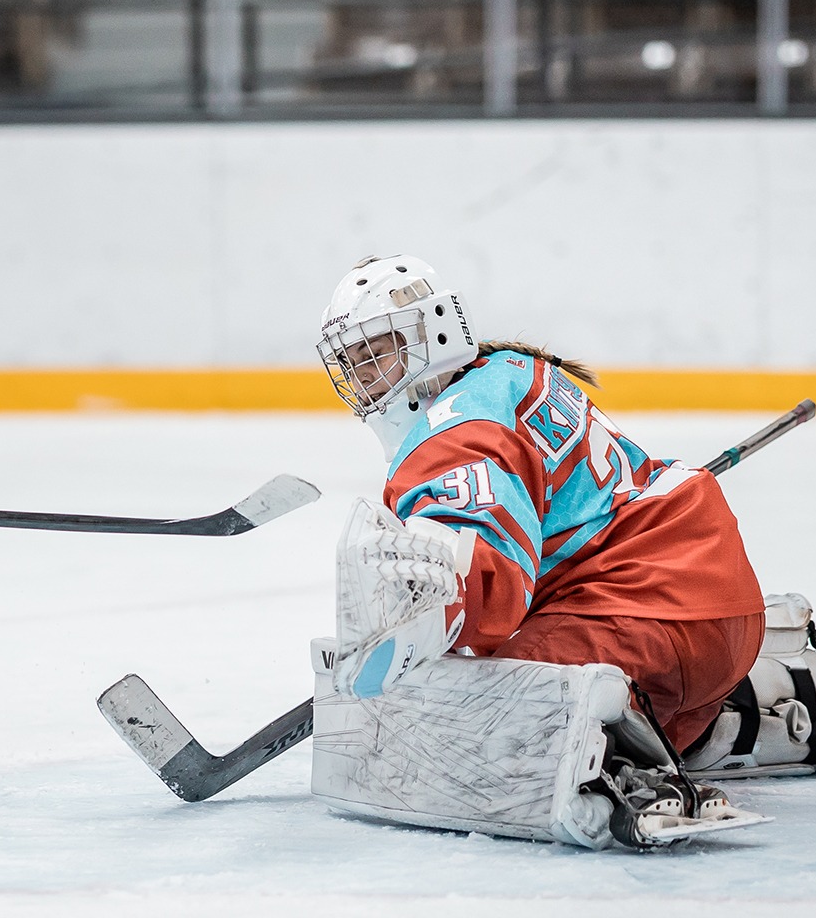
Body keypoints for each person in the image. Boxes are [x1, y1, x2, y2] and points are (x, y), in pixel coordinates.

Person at [310, 254, 776, 847]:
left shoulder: (455, 433)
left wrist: (418, 623)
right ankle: (752, 703)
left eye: (378, 351)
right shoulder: (509, 370)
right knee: (578, 682)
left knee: (475, 712)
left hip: (644, 613)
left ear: (433, 334)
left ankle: (618, 777)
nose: (364, 373)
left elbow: (483, 585)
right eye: (352, 360)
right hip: (720, 611)